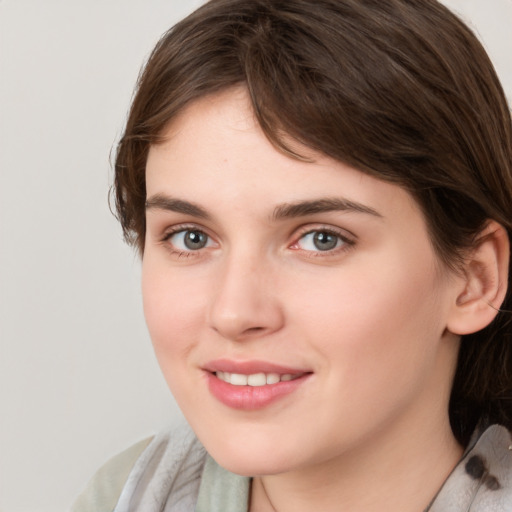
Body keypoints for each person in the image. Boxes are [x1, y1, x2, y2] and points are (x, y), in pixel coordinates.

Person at [72, 0, 512, 510]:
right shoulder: (123, 496)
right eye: (191, 237)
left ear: (474, 279)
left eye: (321, 239)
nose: (234, 313)